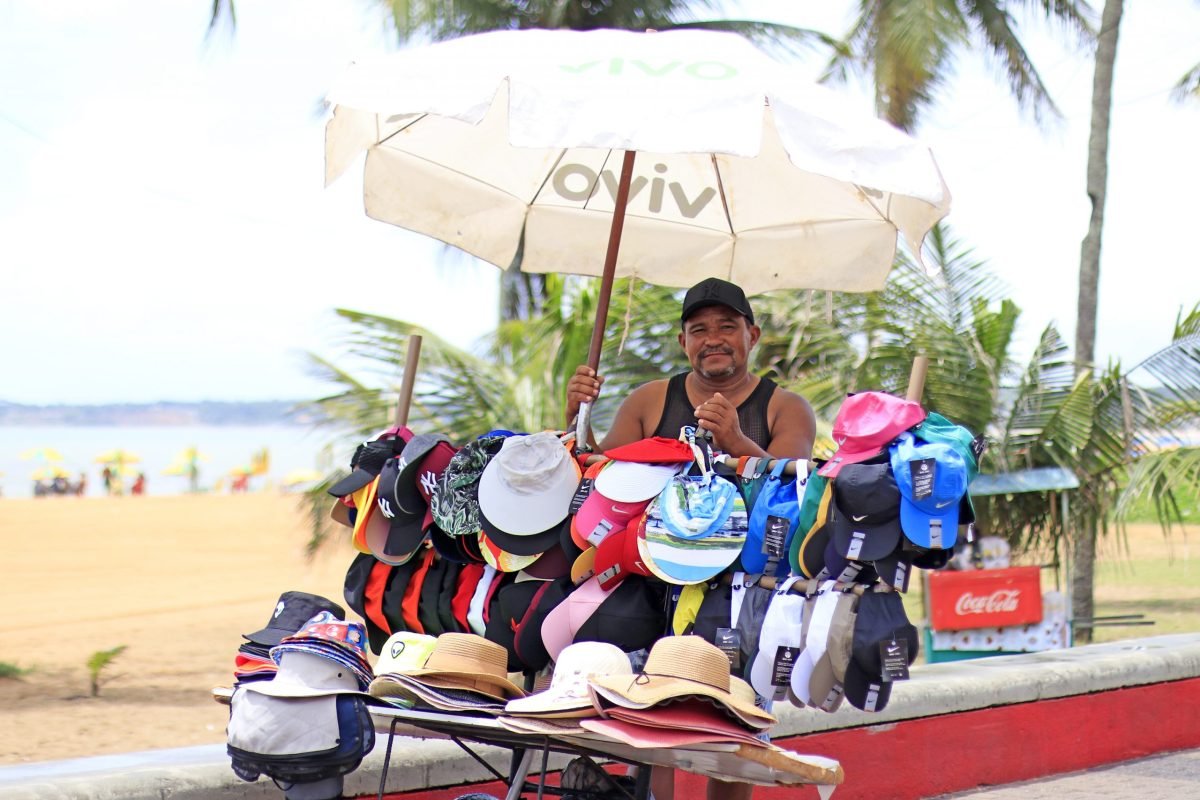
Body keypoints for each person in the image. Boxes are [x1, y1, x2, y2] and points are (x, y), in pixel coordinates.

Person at [565, 277, 816, 800]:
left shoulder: (784, 407)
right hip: (649, 586)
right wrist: (576, 419)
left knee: (729, 729)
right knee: (650, 722)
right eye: (699, 330)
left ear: (753, 335)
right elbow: (597, 479)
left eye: (727, 327)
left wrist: (738, 443)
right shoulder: (650, 400)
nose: (714, 339)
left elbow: (799, 489)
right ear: (684, 343)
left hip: (738, 594)